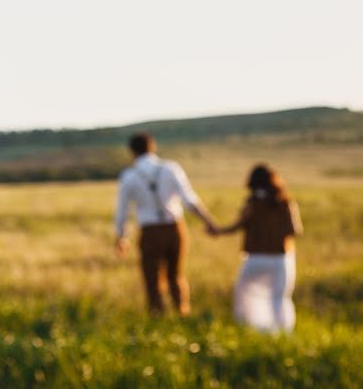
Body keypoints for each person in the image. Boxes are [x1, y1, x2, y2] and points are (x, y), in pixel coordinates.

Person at [114, 132, 216, 315]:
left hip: (150, 232)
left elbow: (123, 211)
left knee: (152, 280)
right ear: (152, 146)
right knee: (176, 275)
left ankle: (157, 318)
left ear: (131, 151)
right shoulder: (170, 168)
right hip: (174, 228)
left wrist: (122, 237)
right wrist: (209, 222)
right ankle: (182, 312)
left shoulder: (129, 176)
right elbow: (189, 199)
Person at [211, 164, 303, 333]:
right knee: (279, 298)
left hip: (255, 258)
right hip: (281, 258)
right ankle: (282, 333)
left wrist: (219, 230)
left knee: (244, 294)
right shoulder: (284, 202)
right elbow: (295, 230)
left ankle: (250, 328)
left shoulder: (252, 203)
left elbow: (237, 225)